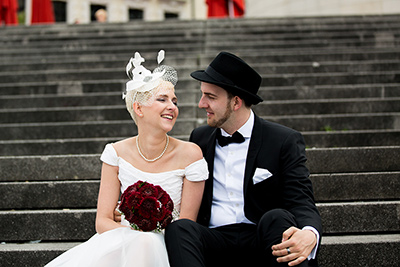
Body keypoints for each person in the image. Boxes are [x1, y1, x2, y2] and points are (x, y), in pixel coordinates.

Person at [45, 50, 208, 267]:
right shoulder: (116, 153)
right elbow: (102, 221)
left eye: (174, 101)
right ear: (138, 108)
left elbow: (187, 224)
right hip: (123, 238)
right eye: (162, 99)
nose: (172, 107)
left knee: (147, 244)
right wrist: (135, 233)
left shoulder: (190, 154)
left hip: (169, 244)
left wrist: (149, 233)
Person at [164, 52, 322, 267]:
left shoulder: (283, 140)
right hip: (214, 241)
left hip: (263, 239)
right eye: (203, 95)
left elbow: (301, 198)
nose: (201, 104)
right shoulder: (199, 139)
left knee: (278, 218)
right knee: (179, 228)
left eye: (211, 97)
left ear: (236, 102)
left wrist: (310, 233)